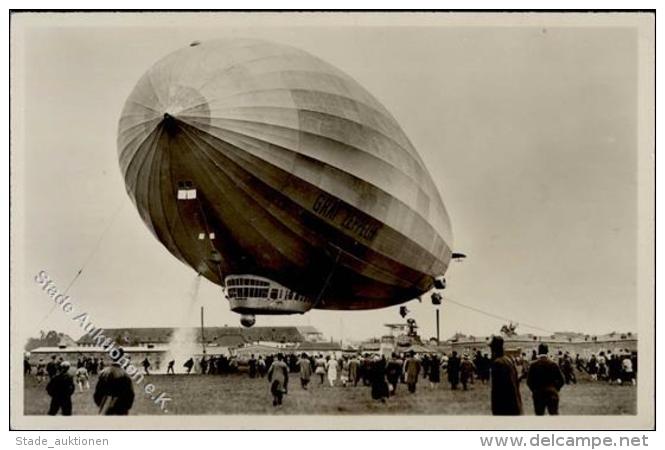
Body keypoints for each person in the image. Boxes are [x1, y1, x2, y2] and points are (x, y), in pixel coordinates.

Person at [526, 343, 565, 415]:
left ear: (538, 351)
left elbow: (529, 381)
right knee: (554, 416)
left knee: (539, 416)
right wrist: (555, 389)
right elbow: (562, 380)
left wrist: (535, 390)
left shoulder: (533, 365)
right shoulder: (553, 364)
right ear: (547, 351)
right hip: (552, 394)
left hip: (538, 394)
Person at [489, 336, 523, 415]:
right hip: (514, 403)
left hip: (504, 406)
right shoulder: (508, 360)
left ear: (494, 349)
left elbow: (497, 390)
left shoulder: (497, 363)